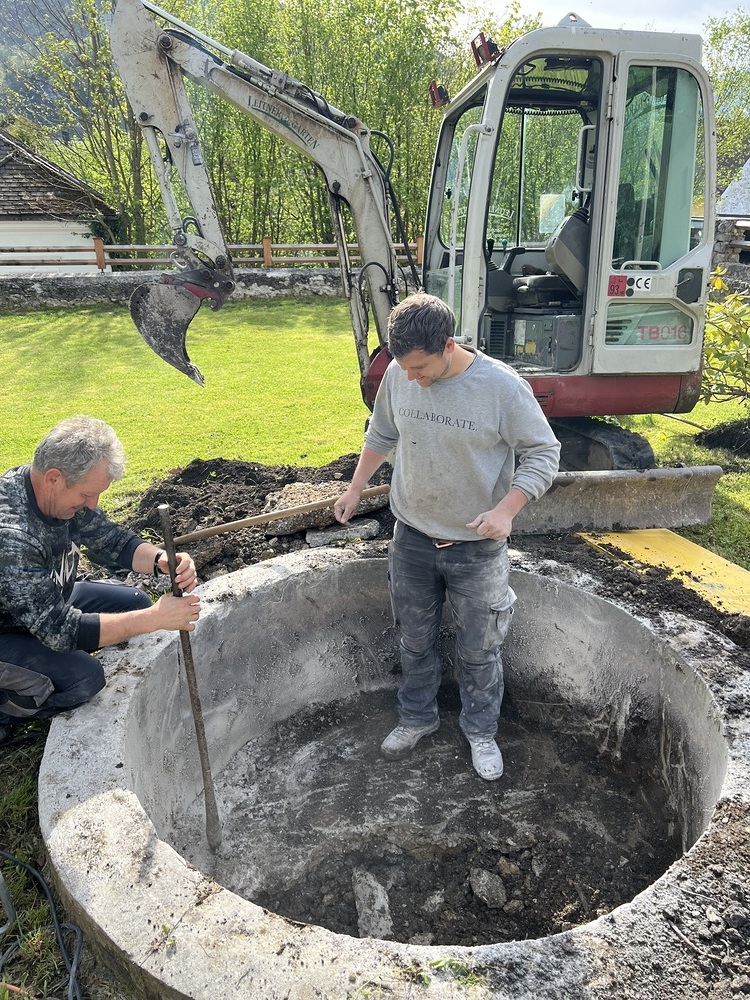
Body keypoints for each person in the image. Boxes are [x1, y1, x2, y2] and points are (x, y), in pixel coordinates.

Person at [334, 293, 560, 781]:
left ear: (449, 345)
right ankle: (417, 717)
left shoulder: (501, 388)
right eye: (404, 368)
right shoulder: (399, 373)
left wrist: (506, 509)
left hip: (477, 549)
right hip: (412, 539)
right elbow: (382, 434)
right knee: (414, 640)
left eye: (420, 368)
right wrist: (355, 489)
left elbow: (543, 452)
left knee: (479, 650)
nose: (411, 378)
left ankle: (481, 732)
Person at [0, 415, 201, 735]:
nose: (92, 505)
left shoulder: (53, 493)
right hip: (7, 631)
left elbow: (113, 541)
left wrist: (162, 560)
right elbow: (60, 631)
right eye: (86, 495)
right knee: (85, 678)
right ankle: (10, 710)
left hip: (44, 601)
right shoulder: (13, 535)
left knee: (135, 602)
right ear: (54, 478)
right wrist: (156, 618)